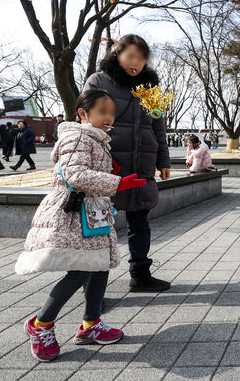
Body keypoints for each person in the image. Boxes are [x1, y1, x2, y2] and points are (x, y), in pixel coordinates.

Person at [15, 89, 147, 362]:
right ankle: (41, 325)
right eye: (102, 112)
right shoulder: (77, 136)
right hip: (75, 212)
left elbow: (87, 173)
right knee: (78, 272)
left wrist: (110, 175)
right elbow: (75, 175)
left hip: (93, 211)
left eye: (111, 112)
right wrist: (116, 182)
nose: (108, 117)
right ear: (83, 113)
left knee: (98, 267)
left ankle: (91, 324)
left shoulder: (97, 139)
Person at [83, 33, 171, 292]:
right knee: (98, 224)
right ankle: (92, 288)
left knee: (140, 221)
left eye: (142, 58)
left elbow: (157, 125)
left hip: (141, 165)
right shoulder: (99, 80)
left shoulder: (149, 88)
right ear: (116, 54)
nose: (136, 63)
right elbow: (87, 122)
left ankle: (140, 275)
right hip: (107, 165)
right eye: (130, 55)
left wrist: (163, 160)